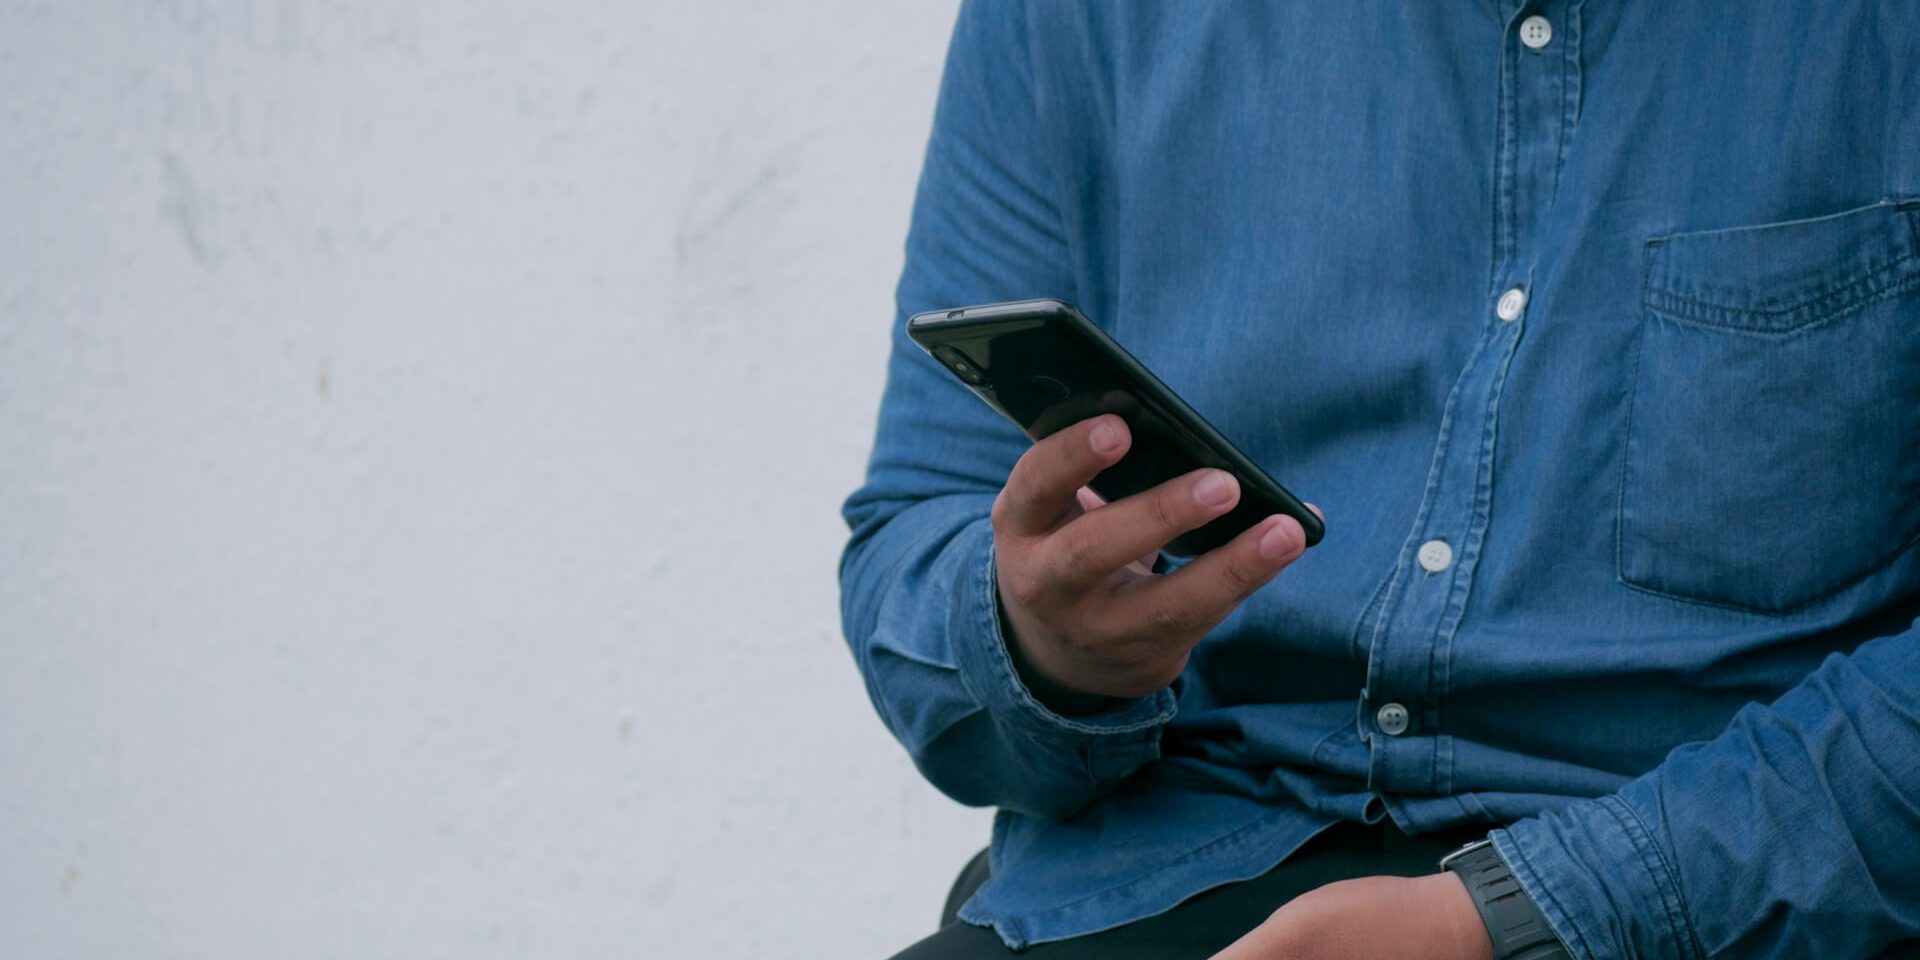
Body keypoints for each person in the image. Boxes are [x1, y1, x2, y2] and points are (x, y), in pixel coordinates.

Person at [839, 3, 1920, 958]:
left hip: (1715, 886)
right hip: (1167, 872)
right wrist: (1040, 644)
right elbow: (917, 525)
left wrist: (1533, 913)